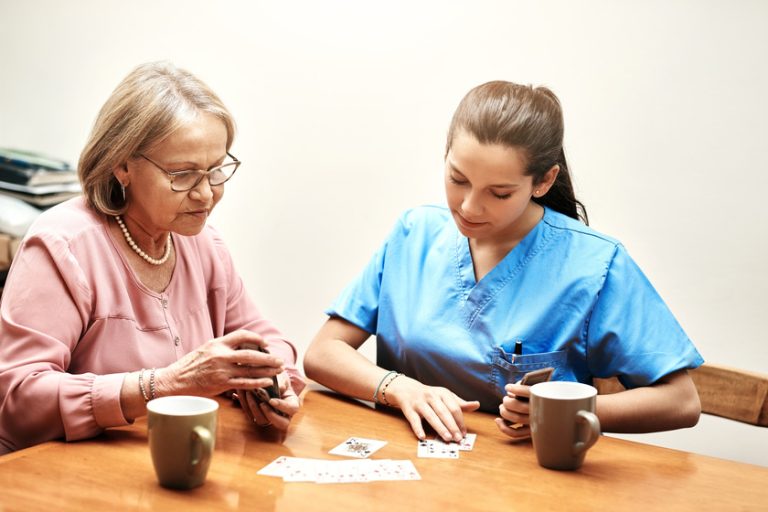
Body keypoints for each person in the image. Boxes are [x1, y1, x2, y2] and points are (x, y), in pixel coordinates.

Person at [303, 80, 703, 444]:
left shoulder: (595, 264)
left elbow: (681, 402)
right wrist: (398, 387)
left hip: (525, 485)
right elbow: (323, 353)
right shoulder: (415, 234)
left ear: (543, 182)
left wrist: (566, 408)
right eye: (458, 179)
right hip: (406, 467)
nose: (468, 207)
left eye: (499, 193)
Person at [0, 61, 305, 454]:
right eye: (182, 174)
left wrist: (272, 384)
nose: (206, 194)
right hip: (65, 476)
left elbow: (268, 342)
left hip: (164, 464)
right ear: (122, 165)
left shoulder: (204, 244)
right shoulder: (64, 245)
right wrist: (165, 384)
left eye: (216, 170)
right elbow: (17, 399)